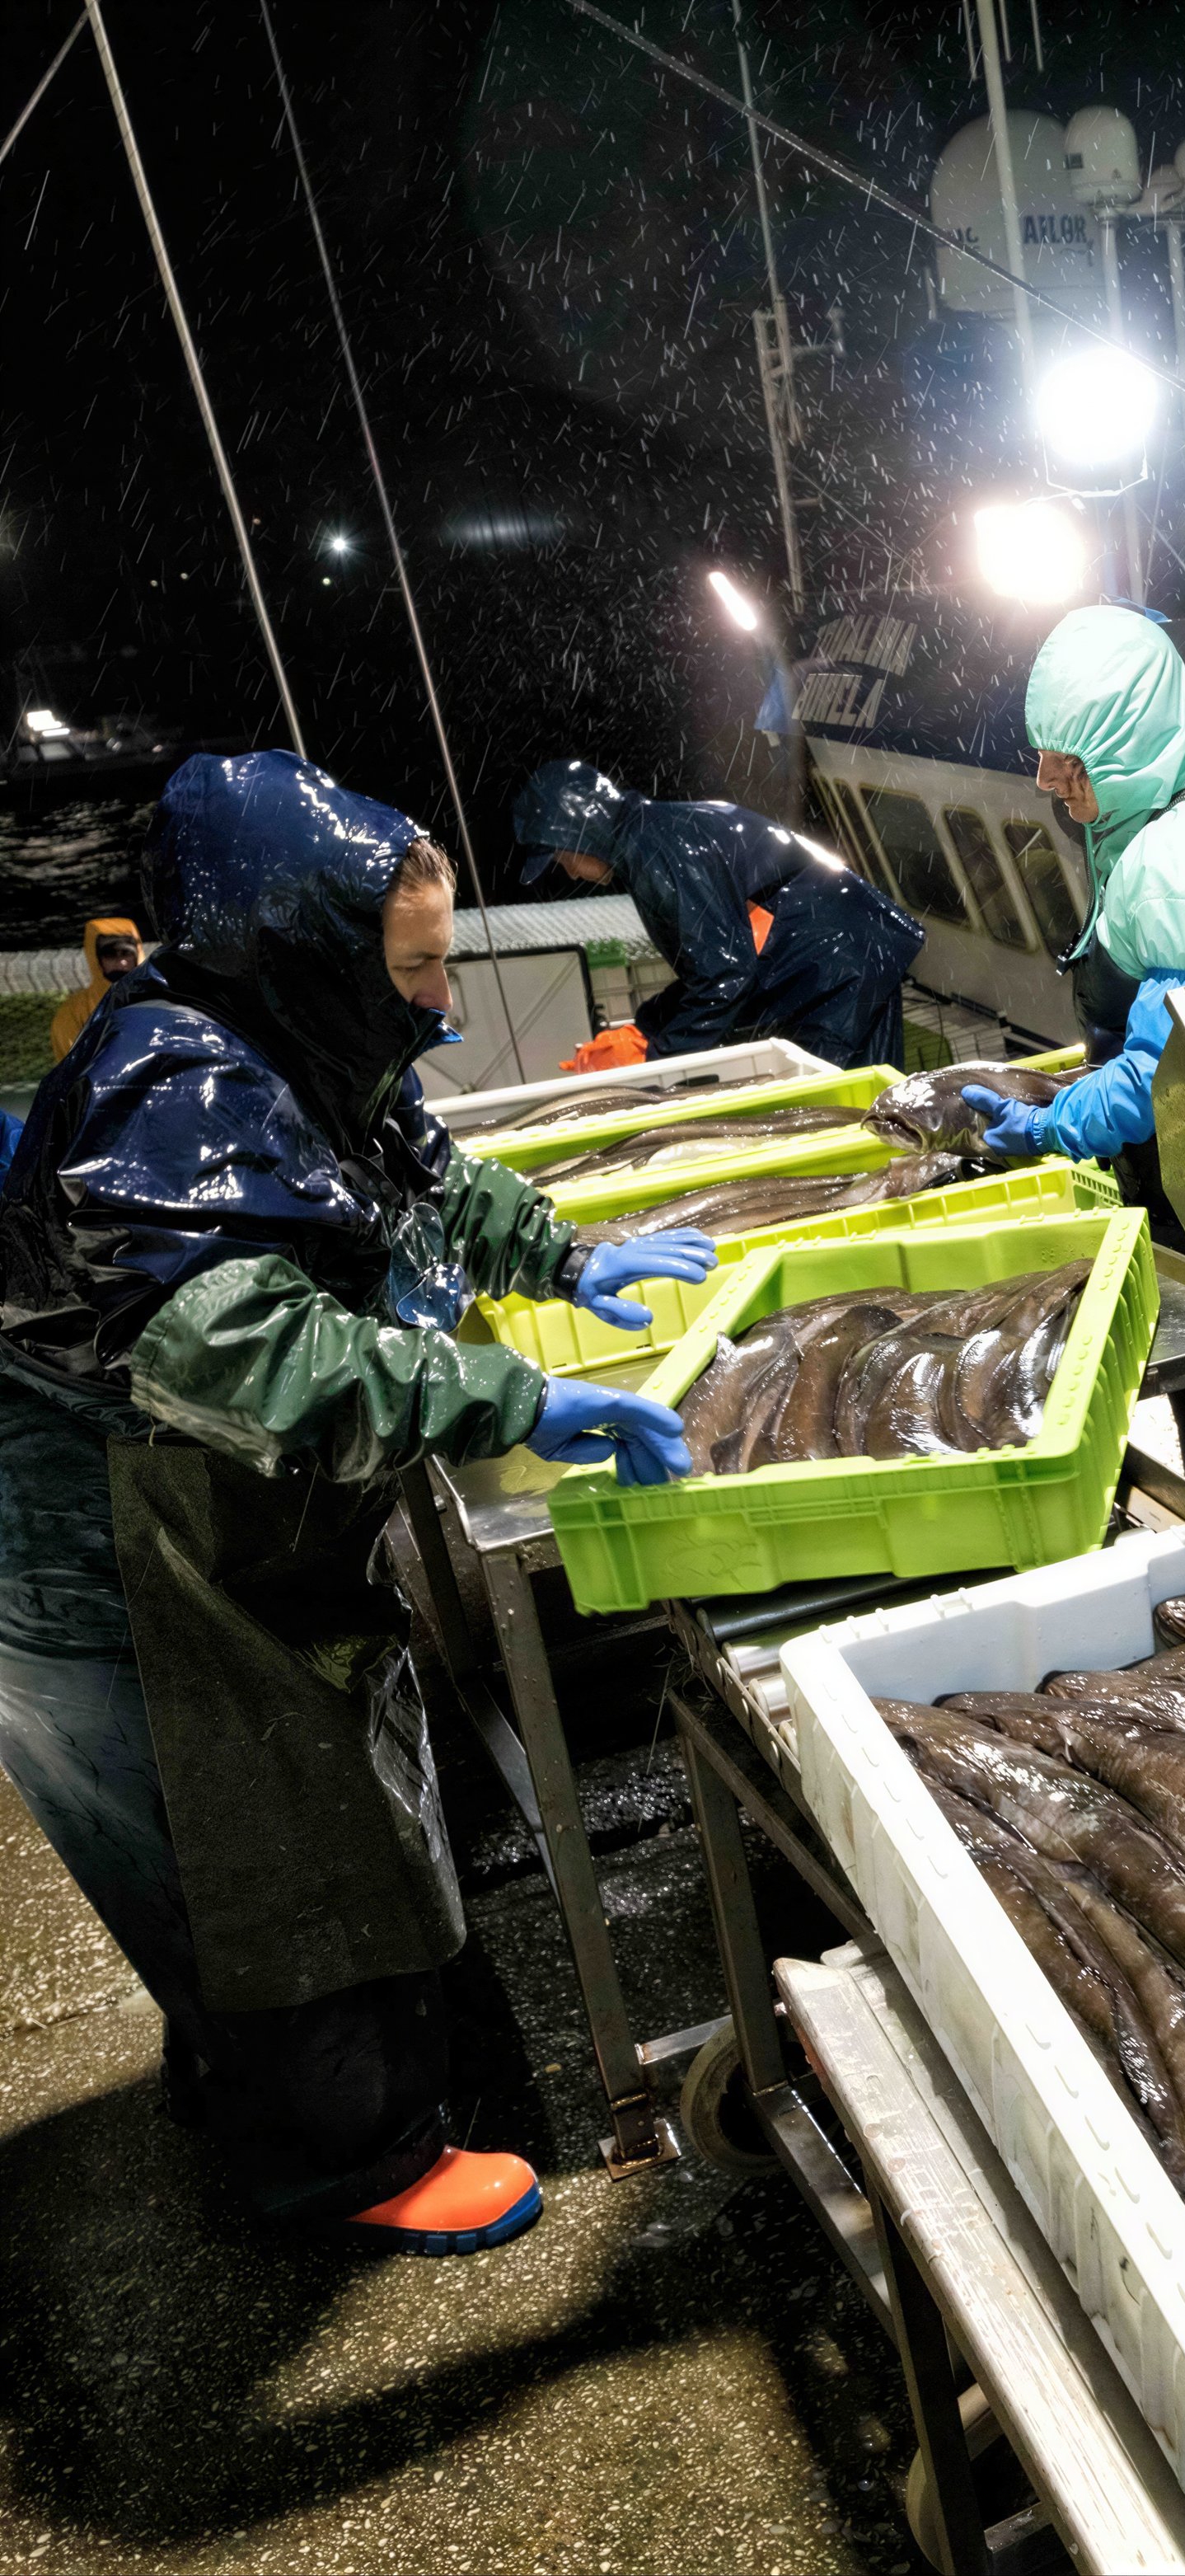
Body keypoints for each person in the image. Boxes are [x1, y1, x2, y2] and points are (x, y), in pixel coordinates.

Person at [0, 751, 711, 2248]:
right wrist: (517, 1398)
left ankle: (276, 2080)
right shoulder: (174, 1087)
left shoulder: (297, 1032)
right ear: (305, 951)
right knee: (245, 1822)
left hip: (199, 1509)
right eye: (416, 970)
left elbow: (417, 1177)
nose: (441, 1001)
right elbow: (242, 1353)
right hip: (107, 1546)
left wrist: (567, 1257)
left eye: (445, 964)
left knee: (261, 1818)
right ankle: (349, 2167)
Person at [961, 606, 1185, 1165]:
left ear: (1123, 745)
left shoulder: (1180, 868)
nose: (1044, 780)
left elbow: (1165, 1074)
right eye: (1042, 754)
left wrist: (1049, 1125)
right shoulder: (1177, 788)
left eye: (1065, 759)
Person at [512, 762, 924, 1068]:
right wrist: (649, 1024)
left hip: (835, 975)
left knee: (846, 1116)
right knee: (873, 1110)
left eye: (565, 858)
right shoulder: (660, 833)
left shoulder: (658, 855)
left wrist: (656, 1053)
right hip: (849, 956)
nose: (571, 873)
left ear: (583, 831)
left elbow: (726, 976)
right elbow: (718, 964)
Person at [48, 916, 143, 1061]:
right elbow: (72, 1067)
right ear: (96, 958)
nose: (121, 962)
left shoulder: (160, 1000)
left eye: (126, 953)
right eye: (111, 955)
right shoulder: (73, 1012)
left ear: (137, 955)